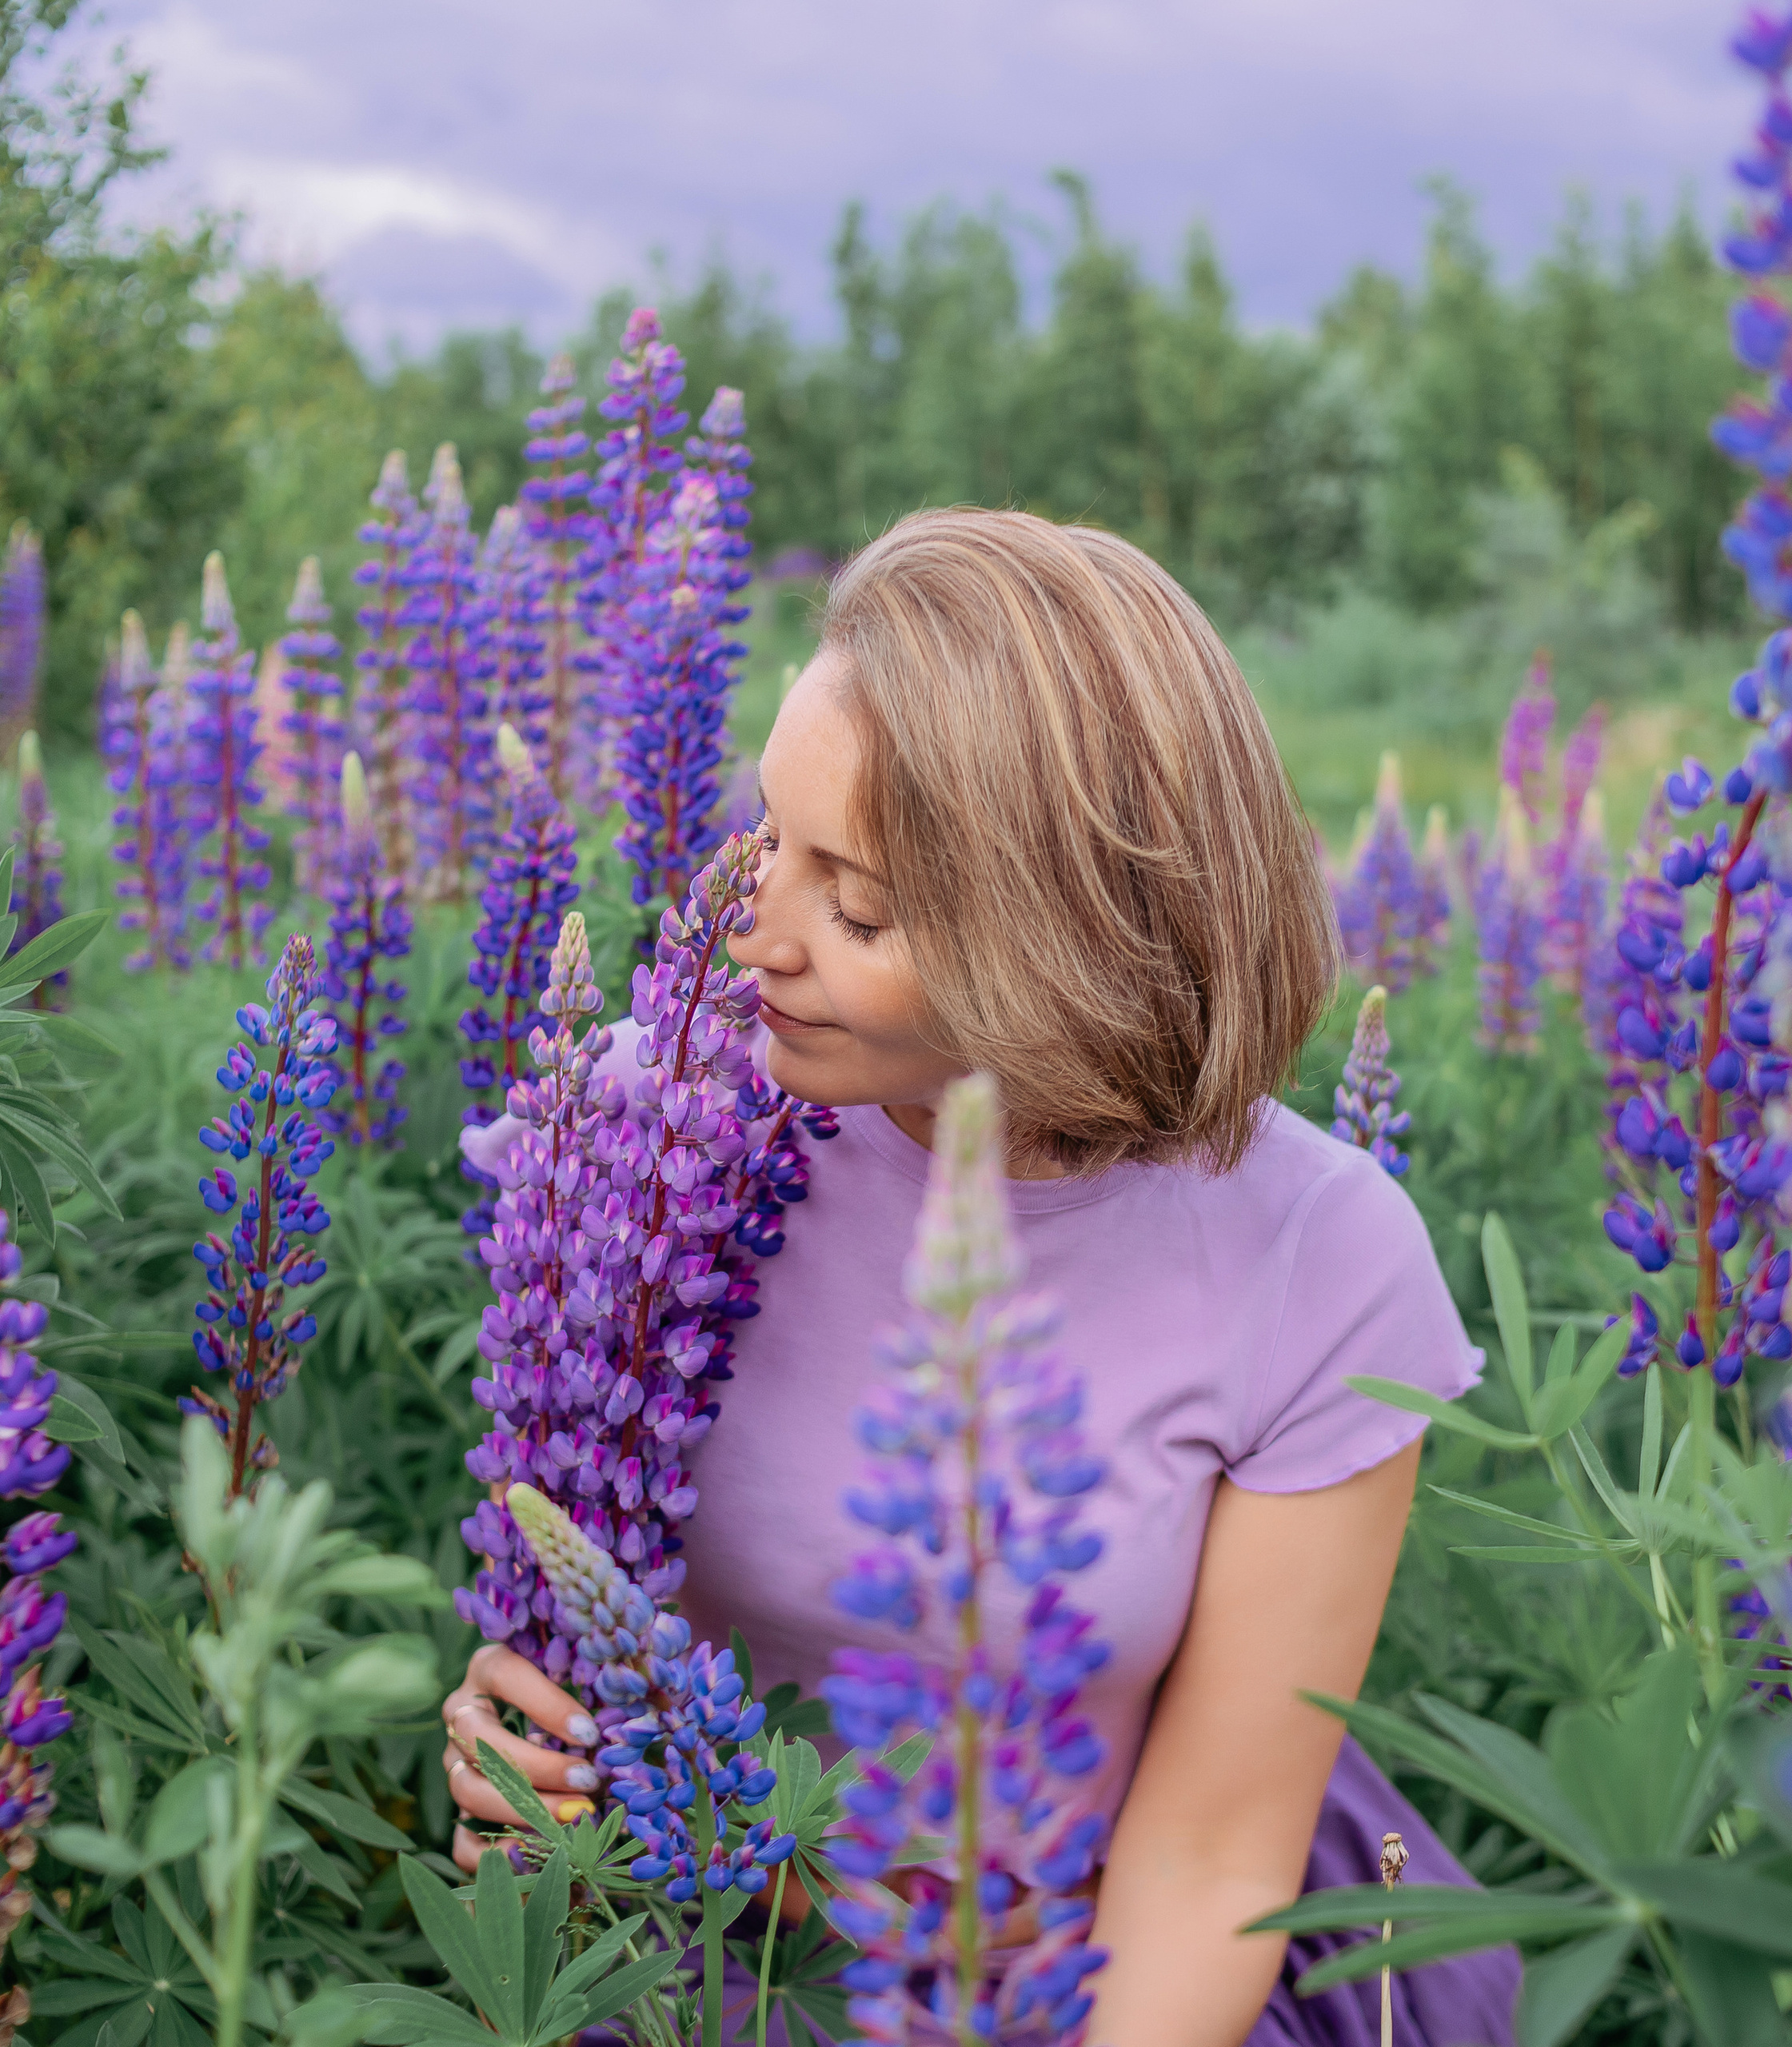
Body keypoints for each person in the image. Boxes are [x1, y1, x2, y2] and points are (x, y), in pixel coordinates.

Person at [442, 508, 1519, 2047]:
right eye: (764, 837)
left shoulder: (1320, 1253)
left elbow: (1215, 1856)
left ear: (1063, 945)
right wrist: (514, 1721)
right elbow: (548, 1528)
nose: (751, 930)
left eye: (857, 901)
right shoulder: (649, 1118)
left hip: (1083, 1992)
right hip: (684, 1960)